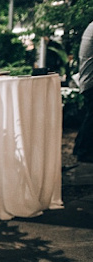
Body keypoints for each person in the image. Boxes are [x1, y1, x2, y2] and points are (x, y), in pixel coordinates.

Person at [73, 21, 93, 163]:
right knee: (91, 117)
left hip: (88, 80)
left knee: (90, 115)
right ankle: (83, 151)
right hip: (91, 81)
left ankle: (80, 147)